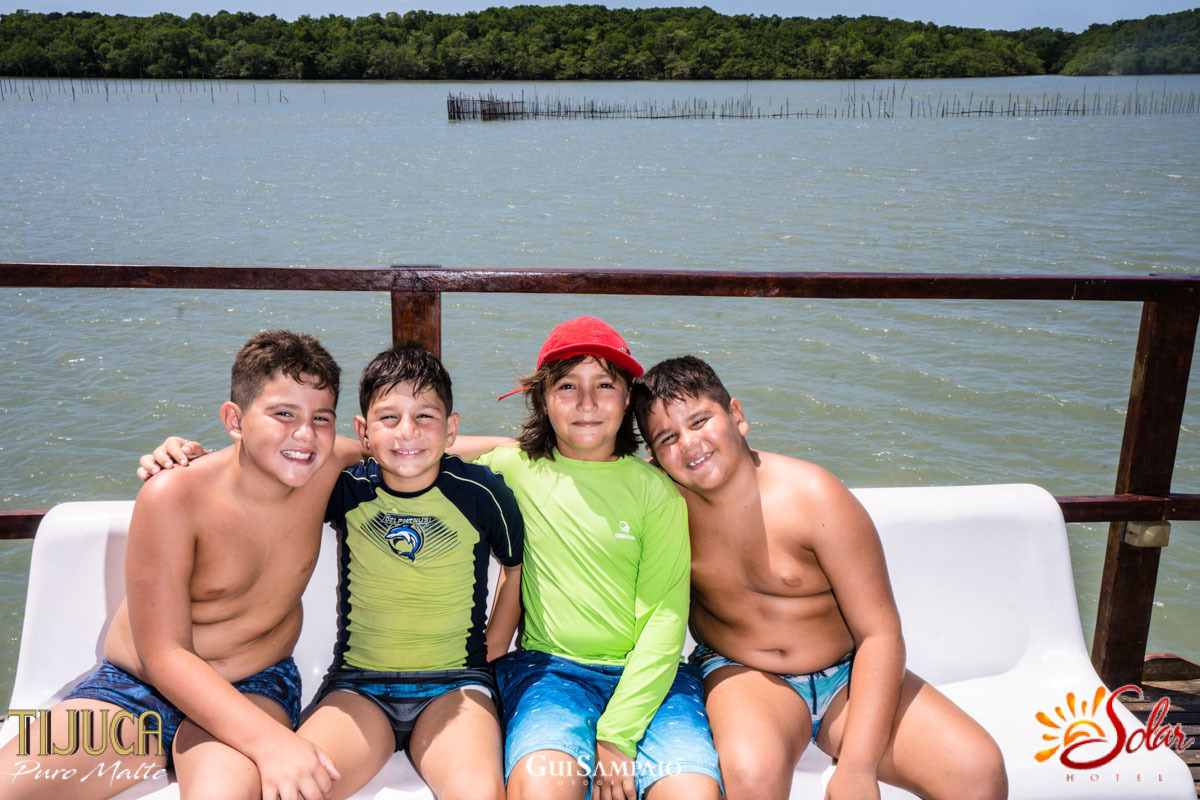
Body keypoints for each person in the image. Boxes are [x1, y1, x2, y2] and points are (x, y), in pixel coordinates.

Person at [133, 345, 525, 800]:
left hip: (457, 683)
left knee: (480, 794)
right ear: (363, 432)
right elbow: (256, 469)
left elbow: (514, 567)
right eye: (389, 419)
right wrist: (184, 454)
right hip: (359, 686)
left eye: (425, 418)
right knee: (296, 789)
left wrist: (492, 653)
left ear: (450, 428)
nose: (407, 433)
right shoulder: (342, 484)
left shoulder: (481, 492)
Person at [631, 355, 1008, 800]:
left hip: (847, 676)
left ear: (736, 415)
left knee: (979, 771)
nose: (690, 443)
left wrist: (857, 769)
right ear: (654, 458)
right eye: (668, 437)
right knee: (752, 775)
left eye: (700, 421)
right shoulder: (660, 507)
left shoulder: (814, 497)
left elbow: (880, 633)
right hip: (743, 671)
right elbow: (578, 462)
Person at [0, 330, 346, 800]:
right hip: (134, 691)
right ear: (235, 420)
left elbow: (413, 442)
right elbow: (164, 654)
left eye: (320, 417)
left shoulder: (325, 465)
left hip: (252, 689)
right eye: (283, 413)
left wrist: (481, 432)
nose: (304, 433)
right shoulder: (174, 494)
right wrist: (272, 745)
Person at [463, 317, 722, 800]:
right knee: (542, 787)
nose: (586, 403)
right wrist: (507, 445)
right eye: (567, 386)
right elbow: (422, 448)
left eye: (605, 385)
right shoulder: (512, 468)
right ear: (543, 399)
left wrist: (617, 736)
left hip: (654, 680)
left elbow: (665, 623)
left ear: (627, 400)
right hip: (549, 673)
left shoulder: (656, 492)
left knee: (692, 792)